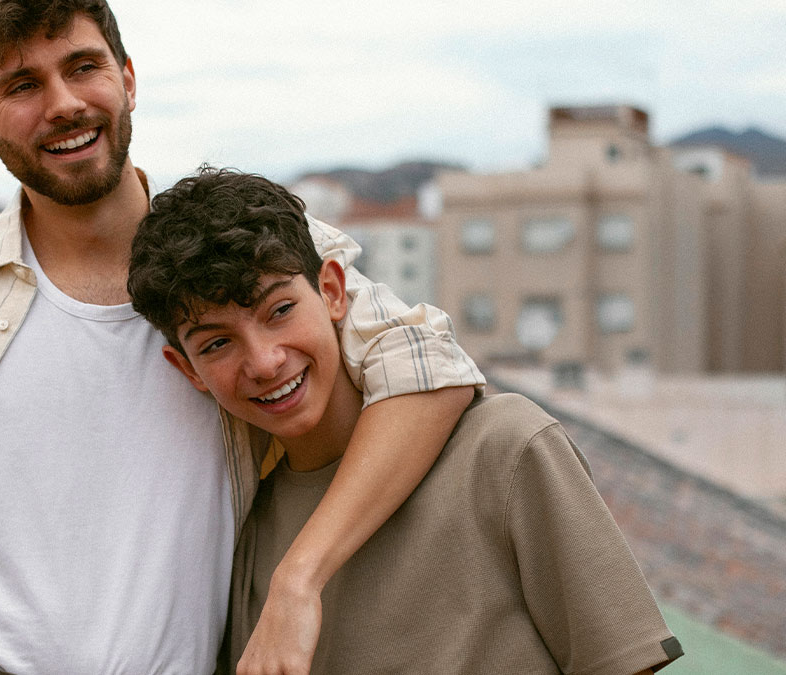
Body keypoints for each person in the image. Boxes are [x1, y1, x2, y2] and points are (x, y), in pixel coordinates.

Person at [0, 2, 484, 674]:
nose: (63, 103)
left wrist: (300, 579)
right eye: (22, 86)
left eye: (82, 67)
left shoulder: (256, 250)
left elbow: (430, 364)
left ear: (126, 77)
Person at [127, 166, 684, 675]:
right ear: (189, 370)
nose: (265, 361)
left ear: (333, 291)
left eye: (279, 311)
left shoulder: (504, 448)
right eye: (218, 342)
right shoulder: (246, 532)